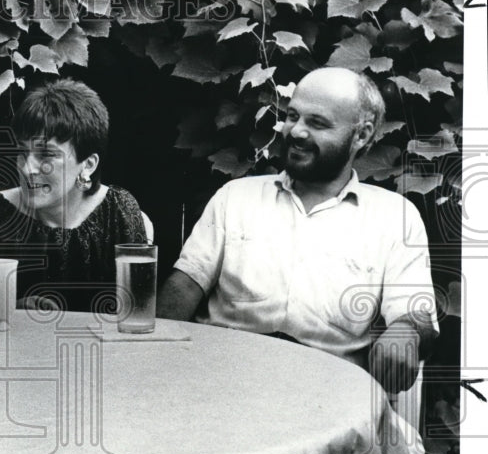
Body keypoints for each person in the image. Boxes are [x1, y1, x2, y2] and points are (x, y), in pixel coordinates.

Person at [158, 68, 439, 432]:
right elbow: (183, 287)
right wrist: (151, 360)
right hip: (219, 397)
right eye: (292, 117)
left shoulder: (394, 217)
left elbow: (417, 317)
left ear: (362, 135)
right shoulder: (236, 198)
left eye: (318, 123)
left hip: (328, 410)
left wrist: (405, 333)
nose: (297, 131)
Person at [0, 79, 153, 313]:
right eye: (23, 152)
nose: (27, 167)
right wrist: (13, 309)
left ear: (88, 164)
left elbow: (138, 312)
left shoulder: (119, 212)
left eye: (46, 155)